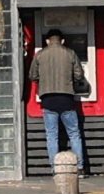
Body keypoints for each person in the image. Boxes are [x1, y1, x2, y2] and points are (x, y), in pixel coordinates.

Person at [29, 25, 87, 168]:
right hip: (66, 98)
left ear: (48, 41)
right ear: (62, 41)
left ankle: (55, 168)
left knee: (51, 136)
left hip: (48, 100)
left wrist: (43, 81)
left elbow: (32, 76)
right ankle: (79, 167)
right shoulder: (70, 53)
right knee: (74, 134)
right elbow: (79, 75)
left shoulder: (40, 55)